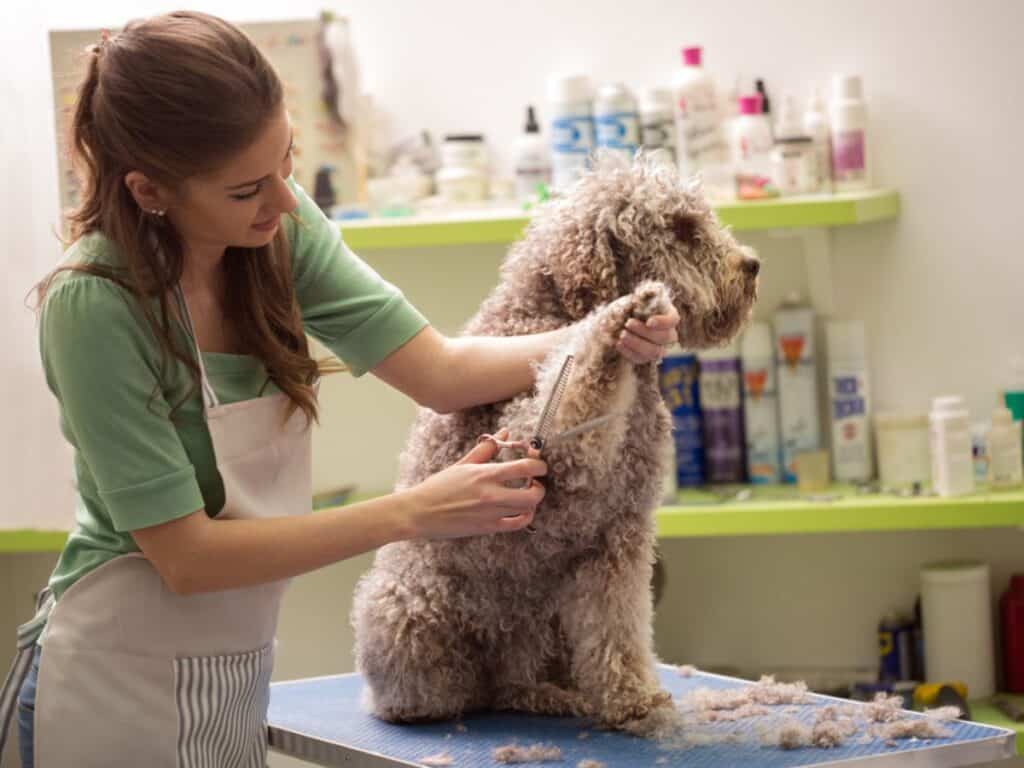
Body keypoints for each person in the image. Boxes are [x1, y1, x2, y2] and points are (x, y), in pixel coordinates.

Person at [1, 11, 678, 767]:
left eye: (286, 162)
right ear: (148, 188)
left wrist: (600, 337)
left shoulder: (277, 234)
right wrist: (416, 512)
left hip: (233, 674)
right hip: (105, 686)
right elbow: (186, 557)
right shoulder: (95, 304)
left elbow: (442, 372)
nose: (285, 201)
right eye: (247, 188)